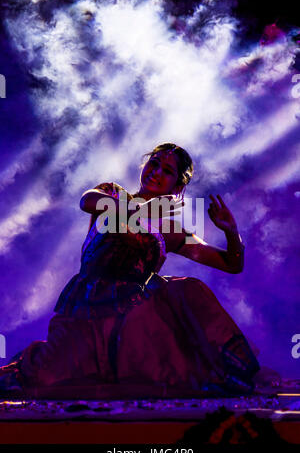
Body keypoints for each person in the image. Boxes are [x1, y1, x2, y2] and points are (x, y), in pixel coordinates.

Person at [0, 143, 259, 397]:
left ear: (178, 186)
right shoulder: (111, 194)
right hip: (85, 312)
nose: (156, 172)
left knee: (187, 289)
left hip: (132, 317)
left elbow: (231, 264)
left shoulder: (168, 230)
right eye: (154, 163)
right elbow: (86, 201)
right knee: (44, 375)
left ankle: (225, 369)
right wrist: (148, 209)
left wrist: (231, 232)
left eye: (167, 171)